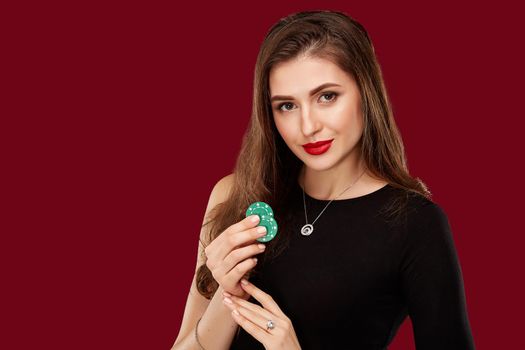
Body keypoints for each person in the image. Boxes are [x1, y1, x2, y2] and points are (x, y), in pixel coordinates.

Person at [172, 10, 475, 350]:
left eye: (327, 96)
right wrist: (229, 294)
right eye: (286, 105)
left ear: (366, 92)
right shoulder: (235, 195)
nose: (307, 126)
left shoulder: (415, 224)